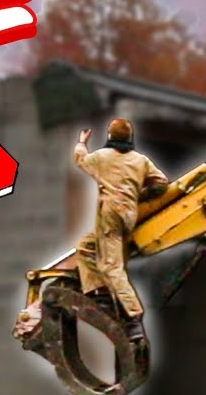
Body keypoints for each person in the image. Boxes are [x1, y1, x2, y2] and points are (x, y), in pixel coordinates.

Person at [72, 119, 170, 342]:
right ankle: (100, 294)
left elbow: (80, 160)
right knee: (85, 247)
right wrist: (140, 195)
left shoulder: (102, 157)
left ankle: (133, 318)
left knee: (111, 266)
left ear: (110, 135)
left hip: (110, 215)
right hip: (128, 215)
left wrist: (81, 142)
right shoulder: (141, 160)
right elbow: (161, 183)